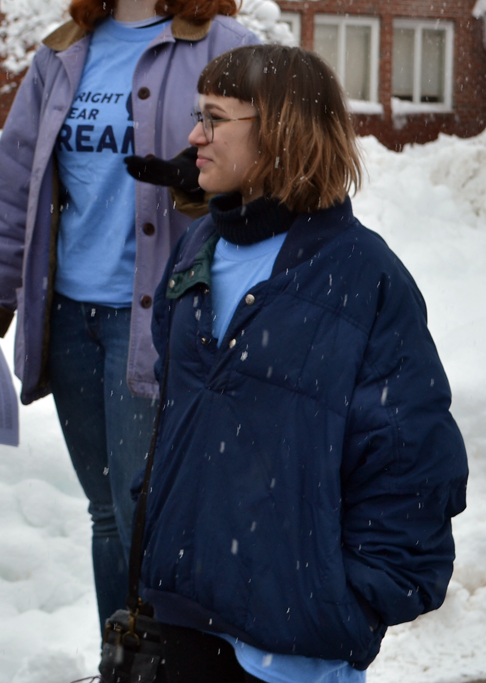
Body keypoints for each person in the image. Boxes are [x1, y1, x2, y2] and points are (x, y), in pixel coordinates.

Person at [0, 0, 260, 629]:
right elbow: (15, 182)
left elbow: (275, 168)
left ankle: (164, 659)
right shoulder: (63, 54)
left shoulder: (226, 47)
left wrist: (208, 180)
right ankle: (122, 658)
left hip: (156, 313)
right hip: (71, 316)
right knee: (105, 509)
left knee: (141, 503)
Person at [141, 44, 468, 682]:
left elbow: (410, 459)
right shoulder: (197, 250)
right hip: (183, 612)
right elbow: (175, 413)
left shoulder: (366, 278)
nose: (192, 136)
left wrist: (346, 598)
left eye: (213, 118)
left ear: (280, 133)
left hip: (290, 643)